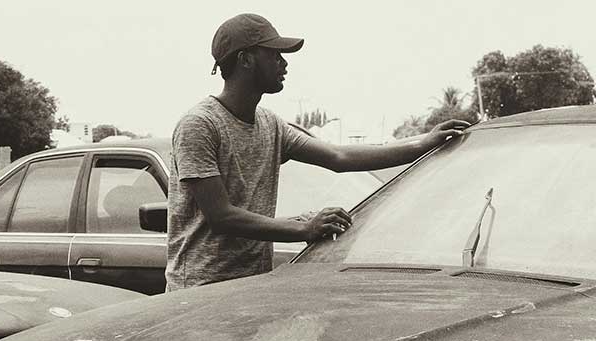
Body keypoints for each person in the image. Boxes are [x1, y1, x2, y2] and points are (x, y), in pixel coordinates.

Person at [165, 13, 468, 291]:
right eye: (274, 55)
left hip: (251, 286)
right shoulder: (200, 125)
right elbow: (222, 216)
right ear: (245, 60)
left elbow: (339, 157)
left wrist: (424, 143)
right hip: (199, 292)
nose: (284, 64)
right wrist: (305, 228)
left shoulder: (271, 124)